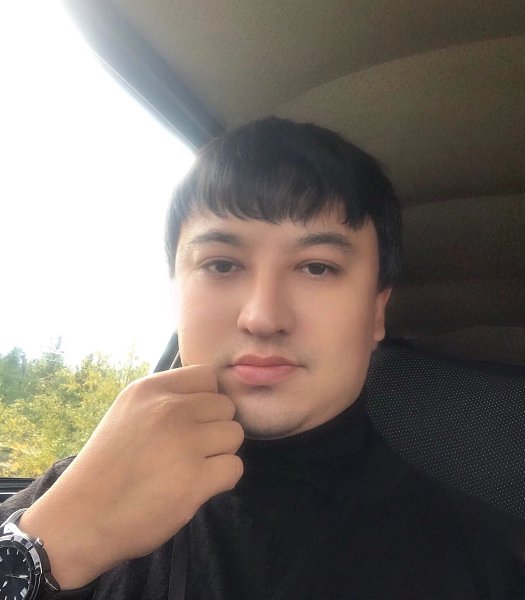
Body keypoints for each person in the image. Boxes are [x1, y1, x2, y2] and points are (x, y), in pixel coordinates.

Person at [0, 117, 523, 599]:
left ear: (377, 312)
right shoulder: (72, 494)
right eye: (221, 264)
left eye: (317, 267)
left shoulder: (477, 562)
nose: (263, 316)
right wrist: (50, 546)